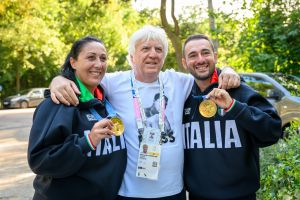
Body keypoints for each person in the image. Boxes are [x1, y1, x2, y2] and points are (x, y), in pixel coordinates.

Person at [49, 25, 240, 199]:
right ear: (132, 57)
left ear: (164, 57)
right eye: (145, 48)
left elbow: (205, 73)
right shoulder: (113, 82)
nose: (153, 54)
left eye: (158, 49)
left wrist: (229, 70)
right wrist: (60, 79)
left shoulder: (179, 81)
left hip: (174, 191)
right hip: (129, 193)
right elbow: (84, 76)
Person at [181, 34, 282, 200]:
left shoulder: (238, 90)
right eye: (192, 55)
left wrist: (233, 107)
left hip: (240, 196)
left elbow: (272, 131)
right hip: (196, 196)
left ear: (215, 56)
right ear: (185, 62)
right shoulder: (181, 95)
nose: (200, 59)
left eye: (205, 53)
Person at [27, 36, 127, 200]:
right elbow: (39, 161)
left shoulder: (107, 98)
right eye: (91, 57)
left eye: (103, 58)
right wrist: (87, 141)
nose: (98, 64)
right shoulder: (59, 102)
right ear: (73, 62)